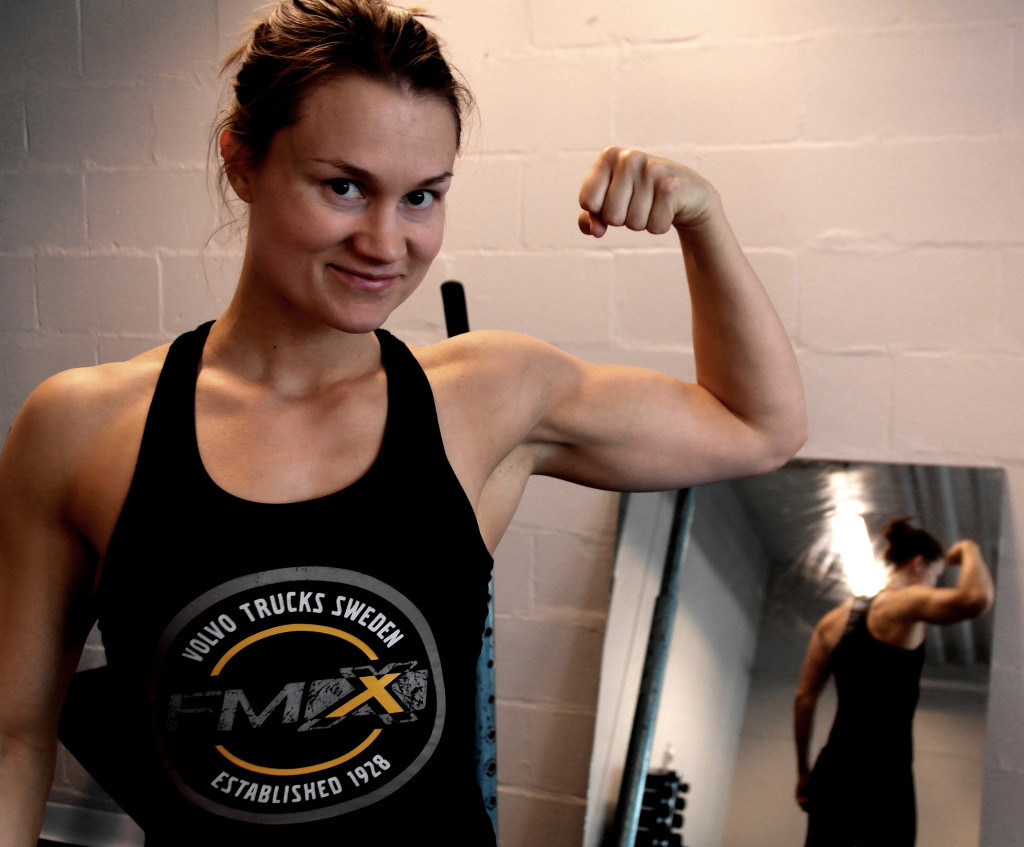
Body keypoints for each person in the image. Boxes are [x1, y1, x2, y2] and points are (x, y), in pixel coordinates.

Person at [0, 1, 807, 844]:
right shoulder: (82, 428)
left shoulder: (485, 396)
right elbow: (14, 737)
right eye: (343, 187)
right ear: (242, 162)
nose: (387, 243)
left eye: (421, 196)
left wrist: (703, 220)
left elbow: (758, 427)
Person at [793, 518, 994, 847]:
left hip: (835, 769)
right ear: (918, 564)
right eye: (935, 576)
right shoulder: (905, 601)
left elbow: (804, 700)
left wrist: (804, 772)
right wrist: (969, 548)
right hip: (885, 774)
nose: (933, 586)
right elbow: (977, 599)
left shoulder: (831, 622)